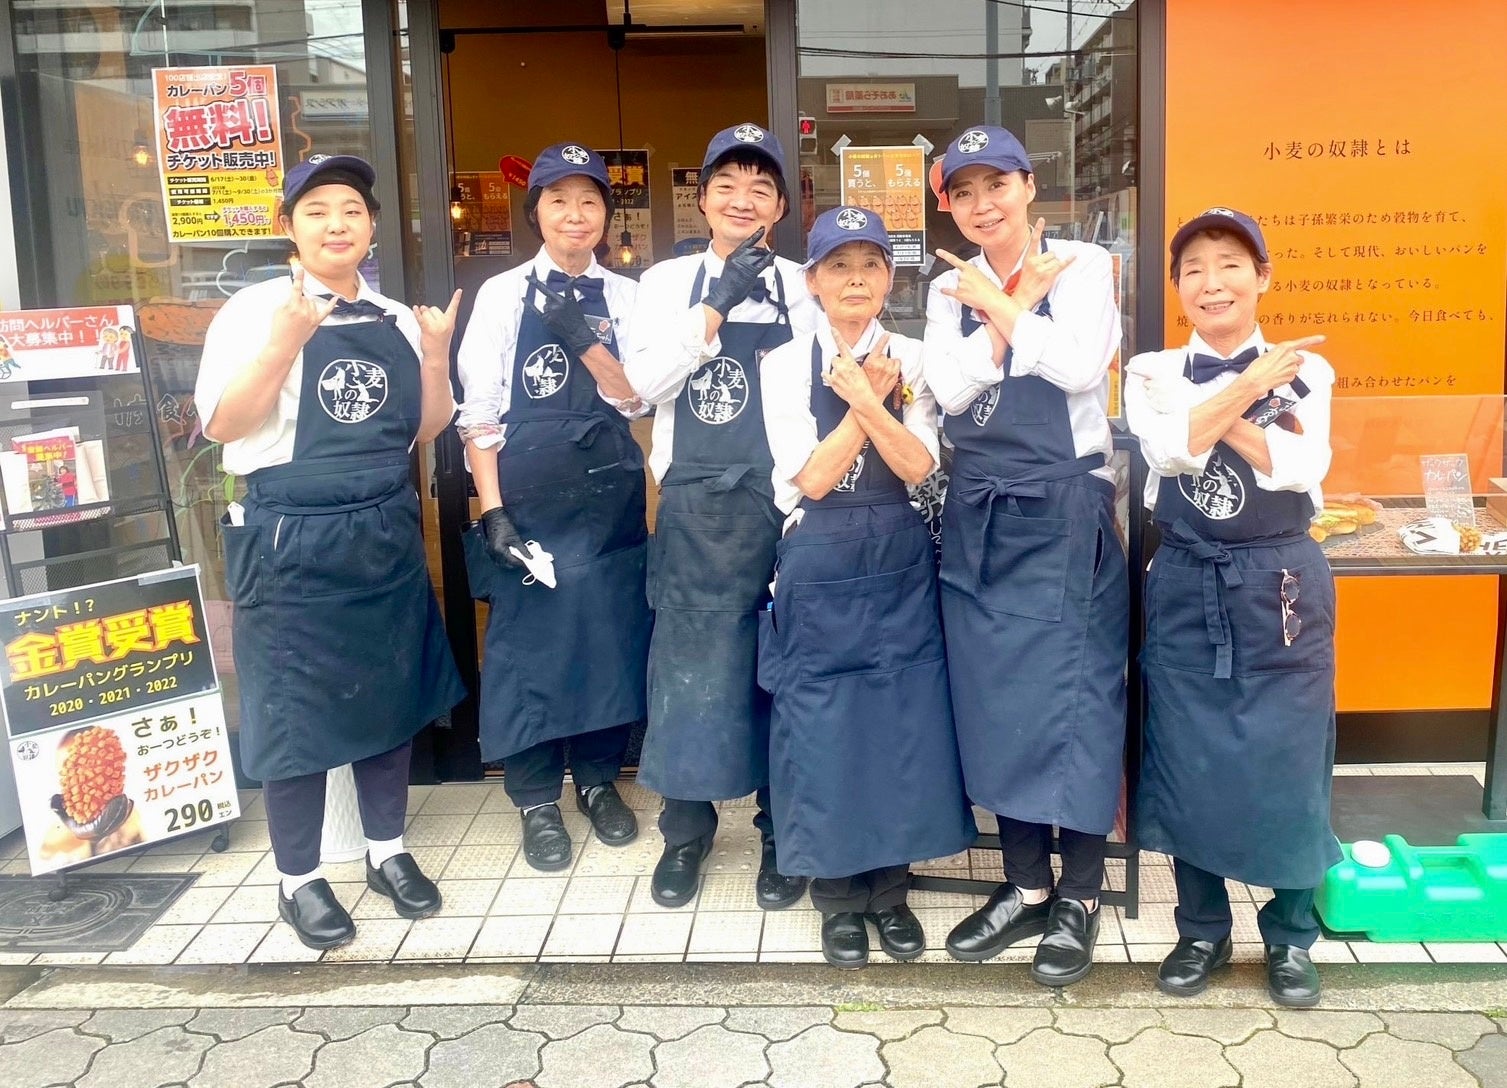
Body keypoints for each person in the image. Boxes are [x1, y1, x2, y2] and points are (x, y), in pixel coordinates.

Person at [195, 153, 466, 950]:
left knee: (389, 698)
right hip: (291, 535)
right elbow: (223, 426)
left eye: (351, 209)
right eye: (316, 211)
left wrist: (436, 351)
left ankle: (388, 851)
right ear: (288, 226)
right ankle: (299, 879)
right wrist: (285, 342)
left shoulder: (392, 315)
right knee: (292, 714)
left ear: (372, 225)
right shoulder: (253, 311)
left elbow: (426, 428)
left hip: (382, 527)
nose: (336, 224)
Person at [923, 125, 1127, 987]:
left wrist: (1007, 307)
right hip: (979, 514)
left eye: (995, 185)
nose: (982, 206)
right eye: (963, 192)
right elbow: (947, 390)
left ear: (1027, 186)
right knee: (995, 702)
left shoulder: (1082, 266)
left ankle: (1077, 894)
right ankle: (1023, 884)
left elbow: (1080, 369)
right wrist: (1003, 313)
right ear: (948, 205)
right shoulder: (947, 288)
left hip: (1063, 512)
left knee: (1076, 706)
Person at [1124, 207, 1337, 1008]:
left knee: (1289, 763)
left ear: (1261, 277)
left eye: (1229, 265)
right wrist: (1250, 389)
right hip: (1186, 578)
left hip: (1280, 585)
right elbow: (1167, 451)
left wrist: (1211, 411)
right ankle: (1201, 930)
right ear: (1177, 286)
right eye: (1193, 270)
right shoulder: (1150, 369)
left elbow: (1299, 465)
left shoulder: (1309, 372)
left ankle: (1289, 936)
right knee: (1189, 759)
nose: (1211, 283)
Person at [759, 206, 975, 968]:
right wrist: (868, 402)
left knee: (900, 723)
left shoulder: (914, 357)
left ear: (889, 279)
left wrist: (870, 396)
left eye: (869, 266)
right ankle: (838, 898)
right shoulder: (784, 364)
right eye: (838, 266)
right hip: (819, 554)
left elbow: (919, 466)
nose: (855, 280)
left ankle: (889, 891)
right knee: (822, 727)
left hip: (898, 553)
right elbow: (812, 477)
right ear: (812, 281)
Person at [625, 122, 819, 910]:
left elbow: (820, 390)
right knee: (688, 671)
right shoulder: (664, 283)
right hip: (697, 504)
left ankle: (781, 832)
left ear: (780, 207)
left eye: (760, 188)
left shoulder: (805, 284)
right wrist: (716, 305)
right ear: (702, 199)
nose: (743, 200)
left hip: (783, 501)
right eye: (727, 186)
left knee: (782, 672)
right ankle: (685, 831)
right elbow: (642, 388)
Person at [456, 143, 651, 870]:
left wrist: (584, 341)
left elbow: (637, 399)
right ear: (534, 211)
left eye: (589, 200)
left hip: (608, 502)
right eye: (559, 200)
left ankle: (598, 782)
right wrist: (493, 510)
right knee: (526, 649)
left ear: (606, 213)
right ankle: (536, 798)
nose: (575, 214)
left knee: (608, 639)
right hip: (528, 500)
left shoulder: (628, 298)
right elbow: (480, 412)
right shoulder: (502, 293)